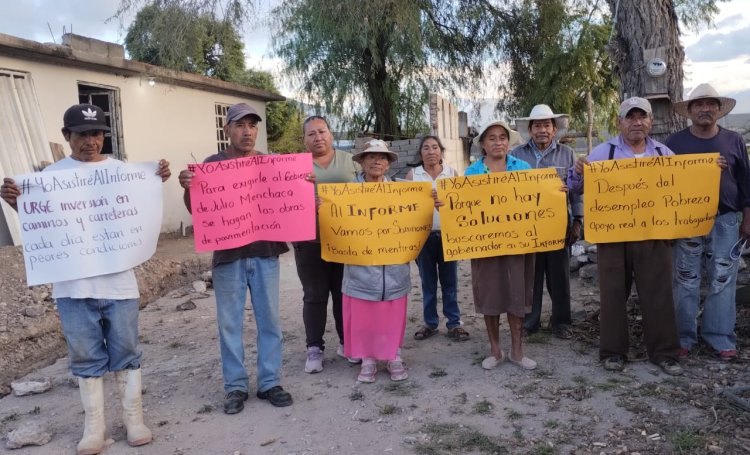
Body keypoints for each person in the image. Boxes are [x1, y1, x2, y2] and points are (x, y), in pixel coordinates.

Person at [1, 103, 170, 454]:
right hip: (72, 288)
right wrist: (18, 203)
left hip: (120, 285)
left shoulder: (123, 173)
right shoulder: (49, 179)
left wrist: (157, 178)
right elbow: (38, 220)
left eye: (96, 134)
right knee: (84, 355)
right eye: (81, 134)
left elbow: (142, 208)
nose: (90, 141)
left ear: (103, 136)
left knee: (126, 351)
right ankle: (95, 426)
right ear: (67, 137)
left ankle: (133, 419)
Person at [178, 103, 292, 415]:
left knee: (270, 321)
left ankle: (270, 382)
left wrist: (301, 185)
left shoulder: (270, 164)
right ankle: (236, 386)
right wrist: (187, 188)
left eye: (252, 126)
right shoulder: (212, 164)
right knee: (230, 324)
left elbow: (289, 200)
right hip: (228, 257)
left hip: (266, 253)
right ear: (227, 130)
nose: (247, 131)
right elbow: (197, 211)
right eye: (240, 125)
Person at [569, 97, 683, 375]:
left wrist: (710, 172)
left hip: (654, 235)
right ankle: (613, 353)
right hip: (612, 237)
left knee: (658, 295)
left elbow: (683, 189)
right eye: (630, 117)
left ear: (650, 122)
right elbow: (574, 187)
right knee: (612, 295)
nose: (636, 122)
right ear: (619, 122)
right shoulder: (601, 153)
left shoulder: (664, 154)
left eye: (641, 117)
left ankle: (665, 353)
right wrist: (577, 172)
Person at [667, 83, 749, 360]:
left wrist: (747, 218)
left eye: (711, 104)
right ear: (689, 111)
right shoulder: (674, 143)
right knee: (685, 279)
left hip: (726, 220)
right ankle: (683, 337)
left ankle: (719, 336)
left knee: (723, 278)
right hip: (687, 221)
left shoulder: (734, 141)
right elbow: (664, 183)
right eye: (699, 105)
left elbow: (745, 183)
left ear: (718, 110)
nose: (705, 109)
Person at [465, 120, 537, 371]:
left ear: (509, 142)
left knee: (517, 294)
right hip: (485, 246)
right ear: (483, 144)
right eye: (492, 138)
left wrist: (555, 192)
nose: (498, 142)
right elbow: (462, 209)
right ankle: (495, 350)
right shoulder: (472, 173)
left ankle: (517, 351)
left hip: (518, 243)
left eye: (502, 138)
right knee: (490, 294)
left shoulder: (524, 168)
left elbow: (537, 200)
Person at [294, 116, 361, 374]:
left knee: (344, 293)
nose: (317, 137)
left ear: (331, 135)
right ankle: (314, 348)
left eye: (322, 132)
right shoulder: (295, 166)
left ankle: (348, 342)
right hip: (309, 241)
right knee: (314, 295)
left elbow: (368, 193)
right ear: (304, 140)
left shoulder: (350, 161)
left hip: (346, 240)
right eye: (311, 134)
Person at [342, 139, 411, 382]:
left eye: (382, 157)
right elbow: (337, 222)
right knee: (365, 313)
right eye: (371, 156)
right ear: (361, 161)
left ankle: (393, 354)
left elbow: (415, 219)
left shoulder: (402, 191)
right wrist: (324, 207)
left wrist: (431, 203)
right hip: (361, 265)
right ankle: (367, 357)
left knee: (391, 311)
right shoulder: (346, 192)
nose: (377, 161)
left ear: (389, 164)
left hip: (393, 266)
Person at [512, 105, 583, 339]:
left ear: (554, 129)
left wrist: (578, 221)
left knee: (559, 276)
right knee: (530, 275)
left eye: (546, 125)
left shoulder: (567, 154)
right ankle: (530, 322)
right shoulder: (517, 155)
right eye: (537, 125)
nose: (542, 130)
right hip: (527, 227)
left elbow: (576, 191)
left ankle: (561, 322)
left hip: (557, 225)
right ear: (530, 129)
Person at [405, 136, 468, 342]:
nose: (431, 151)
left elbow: (462, 205)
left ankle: (454, 323)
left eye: (435, 147)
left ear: (441, 151)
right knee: (428, 282)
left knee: (450, 282)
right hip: (423, 236)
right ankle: (430, 323)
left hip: (448, 235)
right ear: (420, 153)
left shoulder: (452, 174)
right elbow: (406, 208)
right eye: (426, 148)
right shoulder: (413, 175)